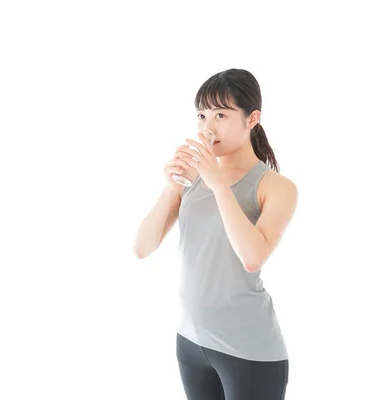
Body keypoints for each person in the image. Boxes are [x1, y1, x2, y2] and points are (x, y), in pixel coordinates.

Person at [133, 68, 298, 399]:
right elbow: (142, 248)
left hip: (250, 349)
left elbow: (253, 258)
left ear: (252, 119)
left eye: (221, 114)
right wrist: (171, 188)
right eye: (202, 114)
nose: (208, 126)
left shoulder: (277, 187)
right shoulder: (193, 178)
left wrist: (218, 184)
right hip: (191, 342)